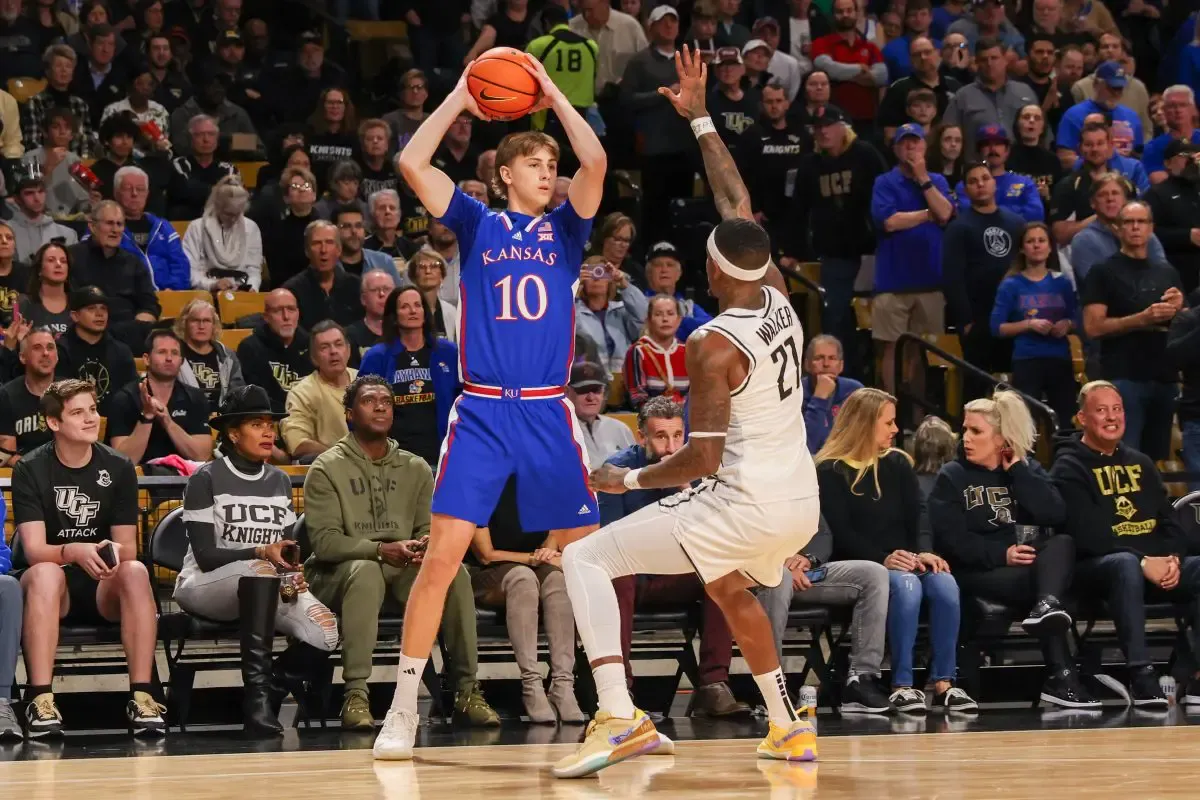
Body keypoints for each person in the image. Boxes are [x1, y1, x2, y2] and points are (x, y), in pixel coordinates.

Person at [555, 46, 821, 776]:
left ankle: (619, 716)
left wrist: (626, 482)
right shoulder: (777, 295)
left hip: (745, 500)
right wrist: (701, 113)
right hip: (798, 497)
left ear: (709, 270)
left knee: (585, 557)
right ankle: (786, 723)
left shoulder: (710, 346)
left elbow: (701, 460)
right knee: (728, 585)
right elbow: (737, 206)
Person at [304, 375, 500, 731]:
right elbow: (325, 543)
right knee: (364, 573)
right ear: (349, 414)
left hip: (402, 565)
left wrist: (425, 546)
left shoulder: (416, 467)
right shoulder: (326, 467)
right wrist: (379, 550)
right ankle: (356, 695)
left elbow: (429, 529)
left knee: (453, 572)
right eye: (369, 401)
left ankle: (467, 691)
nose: (380, 406)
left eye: (386, 401)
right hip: (338, 573)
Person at [174, 384, 337, 734]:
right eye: (256, 424)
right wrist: (262, 552)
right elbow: (205, 557)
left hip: (265, 582)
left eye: (270, 424)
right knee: (261, 568)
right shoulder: (205, 478)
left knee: (326, 632)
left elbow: (285, 549)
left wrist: (295, 571)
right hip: (205, 585)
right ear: (233, 433)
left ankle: (268, 690)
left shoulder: (279, 480)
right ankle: (257, 702)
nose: (268, 431)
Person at [13, 379, 166, 737]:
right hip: (54, 587)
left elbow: (127, 544)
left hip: (103, 583)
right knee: (46, 573)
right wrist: (73, 551)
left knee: (135, 570)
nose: (90, 419)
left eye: (93, 410)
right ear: (54, 423)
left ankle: (142, 696)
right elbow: (34, 549)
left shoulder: (119, 467)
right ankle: (40, 699)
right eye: (77, 412)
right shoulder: (31, 469)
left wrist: (103, 552)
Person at [929, 390, 1098, 708]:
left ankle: (1047, 607)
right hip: (977, 571)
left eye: (976, 431)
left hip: (1027, 569)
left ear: (1001, 439)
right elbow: (950, 540)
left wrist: (1018, 471)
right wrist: (1001, 553)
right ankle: (1062, 677)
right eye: (965, 429)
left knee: (1062, 544)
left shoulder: (1027, 469)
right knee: (1045, 589)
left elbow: (1055, 513)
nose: (966, 437)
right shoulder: (952, 476)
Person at [816, 387, 975, 714]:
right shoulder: (830, 470)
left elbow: (919, 513)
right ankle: (902, 685)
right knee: (907, 586)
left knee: (945, 583)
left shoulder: (898, 463)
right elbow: (841, 532)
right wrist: (883, 558)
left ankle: (944, 683)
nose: (894, 430)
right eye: (887, 422)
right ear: (864, 424)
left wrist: (925, 550)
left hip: (906, 558)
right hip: (864, 565)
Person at [599, 397, 751, 719]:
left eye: (677, 436)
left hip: (676, 572)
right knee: (618, 576)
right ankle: (620, 691)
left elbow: (717, 534)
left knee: (723, 572)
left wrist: (687, 490)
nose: (671, 447)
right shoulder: (617, 470)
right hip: (635, 576)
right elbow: (607, 540)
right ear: (641, 437)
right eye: (661, 437)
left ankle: (712, 686)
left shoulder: (698, 469)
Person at [1051, 380, 1200, 707]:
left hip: (1154, 568)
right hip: (1096, 572)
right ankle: (1142, 676)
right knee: (1125, 564)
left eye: (1117, 409)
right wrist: (1145, 561)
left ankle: (1195, 673)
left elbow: (1171, 523)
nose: (1111, 417)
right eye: (1101, 410)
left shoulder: (1142, 463)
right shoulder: (1068, 467)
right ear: (1082, 418)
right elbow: (1088, 536)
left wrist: (1173, 559)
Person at [470, 476, 588, 724]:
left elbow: (556, 528)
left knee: (558, 580)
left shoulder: (542, 478)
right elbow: (486, 555)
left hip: (533, 565)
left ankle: (563, 685)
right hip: (486, 574)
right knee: (523, 579)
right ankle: (531, 684)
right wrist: (532, 558)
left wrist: (549, 549)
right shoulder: (479, 481)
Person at [759, 512, 894, 715]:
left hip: (804, 571)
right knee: (780, 578)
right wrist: (780, 564)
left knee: (873, 573)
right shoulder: (739, 485)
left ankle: (861, 680)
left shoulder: (797, 484)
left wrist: (807, 558)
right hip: (758, 573)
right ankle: (773, 691)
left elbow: (822, 533)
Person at [1082, 201, 1183, 461]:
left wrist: (1179, 310)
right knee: (1126, 456)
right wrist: (1142, 318)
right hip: (1124, 376)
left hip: (1164, 377)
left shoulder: (1167, 271)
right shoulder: (1103, 271)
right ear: (1118, 229)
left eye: (1141, 222)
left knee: (1158, 460)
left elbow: (1183, 326)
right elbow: (1093, 327)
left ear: (1151, 228)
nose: (1135, 227)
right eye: (1129, 222)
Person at [871, 123, 954, 398]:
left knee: (924, 352)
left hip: (930, 280)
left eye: (915, 142)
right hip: (892, 281)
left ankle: (919, 414)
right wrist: (926, 214)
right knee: (890, 348)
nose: (910, 148)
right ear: (896, 149)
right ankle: (890, 409)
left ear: (924, 147)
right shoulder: (884, 182)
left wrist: (922, 179)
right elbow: (890, 222)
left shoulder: (937, 181)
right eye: (904, 143)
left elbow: (944, 213)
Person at [942, 161, 1026, 381]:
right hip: (978, 320)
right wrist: (966, 322)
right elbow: (953, 278)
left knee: (1013, 387)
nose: (980, 184)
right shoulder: (959, 227)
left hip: (1013, 317)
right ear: (966, 189)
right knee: (976, 386)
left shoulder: (1016, 223)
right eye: (973, 181)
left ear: (994, 183)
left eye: (985, 178)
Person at [358, 287, 460, 468]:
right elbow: (359, 406)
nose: (413, 311)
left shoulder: (448, 353)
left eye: (417, 305)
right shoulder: (377, 357)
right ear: (394, 316)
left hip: (441, 455)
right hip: (391, 460)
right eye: (405, 306)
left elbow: (464, 401)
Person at [991, 222, 1079, 426]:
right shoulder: (1011, 284)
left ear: (1050, 247)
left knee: (1066, 422)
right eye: (1031, 241)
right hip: (1027, 359)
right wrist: (1029, 325)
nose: (1036, 245)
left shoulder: (1062, 282)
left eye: (1041, 241)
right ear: (1022, 248)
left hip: (1060, 359)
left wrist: (1067, 324)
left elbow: (1077, 319)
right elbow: (997, 327)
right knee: (1025, 422)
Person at [108, 329, 213, 465]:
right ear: (146, 359)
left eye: (174, 353)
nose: (169, 358)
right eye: (162, 352)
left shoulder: (195, 398)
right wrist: (147, 417)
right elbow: (123, 460)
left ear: (181, 361)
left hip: (185, 479)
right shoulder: (125, 398)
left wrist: (168, 422)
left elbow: (201, 456)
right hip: (139, 481)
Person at [67, 201, 160, 351]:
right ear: (92, 226)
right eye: (109, 223)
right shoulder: (72, 257)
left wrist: (140, 324)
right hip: (86, 332)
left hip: (127, 334)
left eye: (119, 224)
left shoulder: (134, 262)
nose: (115, 230)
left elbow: (150, 305)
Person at [1047, 126, 1144, 252]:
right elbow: (1060, 235)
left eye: (1100, 143)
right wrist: (1100, 216)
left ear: (1110, 147)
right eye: (1088, 144)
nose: (1095, 149)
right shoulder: (1067, 186)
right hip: (1083, 252)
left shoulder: (1126, 185)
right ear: (1080, 148)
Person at [943, 38, 1037, 159]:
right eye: (983, 60)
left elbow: (1042, 132)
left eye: (994, 58)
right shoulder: (963, 97)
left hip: (1022, 166)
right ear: (976, 63)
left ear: (1005, 60)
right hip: (978, 168)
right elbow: (948, 135)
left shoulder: (1025, 92)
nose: (989, 63)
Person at [54, 286, 138, 415]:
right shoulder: (61, 350)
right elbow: (58, 396)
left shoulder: (121, 351)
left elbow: (131, 393)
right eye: (91, 308)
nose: (100, 314)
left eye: (103, 309)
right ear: (75, 316)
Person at [281, 320, 356, 461]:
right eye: (324, 347)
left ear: (348, 350)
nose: (333, 351)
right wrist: (342, 457)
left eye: (338, 344)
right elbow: (298, 444)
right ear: (314, 358)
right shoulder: (302, 393)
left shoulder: (365, 381)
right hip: (329, 469)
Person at [112, 165, 190, 291]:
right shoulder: (106, 226)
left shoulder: (163, 227)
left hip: (168, 295)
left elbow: (180, 263)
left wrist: (173, 289)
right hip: (126, 298)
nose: (134, 194)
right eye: (128, 189)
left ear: (147, 194)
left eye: (140, 189)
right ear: (116, 193)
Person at [811, 0, 887, 129]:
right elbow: (829, 70)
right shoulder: (821, 43)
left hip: (867, 120)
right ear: (833, 15)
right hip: (832, 120)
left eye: (849, 10)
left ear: (857, 13)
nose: (845, 15)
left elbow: (882, 77)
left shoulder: (870, 47)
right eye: (840, 12)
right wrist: (861, 68)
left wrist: (842, 75)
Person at [236, 288, 313, 413]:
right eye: (278, 311)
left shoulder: (312, 345)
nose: (286, 316)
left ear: (298, 313)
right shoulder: (250, 348)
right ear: (266, 317)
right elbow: (258, 398)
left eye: (291, 309)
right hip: (271, 418)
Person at [1056, 61, 1144, 168]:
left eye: (1119, 88)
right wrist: (1099, 161)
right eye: (1111, 87)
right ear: (1096, 85)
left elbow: (1138, 156)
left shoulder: (1132, 117)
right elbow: (1064, 158)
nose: (1116, 93)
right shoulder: (1074, 115)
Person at [183, 175, 263, 291]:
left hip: (241, 292)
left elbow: (254, 269)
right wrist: (212, 285)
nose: (233, 219)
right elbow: (190, 270)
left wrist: (252, 288)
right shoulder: (197, 228)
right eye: (228, 214)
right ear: (217, 207)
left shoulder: (251, 228)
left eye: (237, 214)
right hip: (206, 292)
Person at [282, 220, 365, 331]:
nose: (323, 250)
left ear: (339, 249)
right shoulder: (292, 291)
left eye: (329, 242)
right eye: (317, 243)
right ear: (307, 251)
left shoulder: (357, 286)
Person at [575, 255, 650, 374]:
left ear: (610, 280)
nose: (596, 278)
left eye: (601, 273)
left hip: (622, 381)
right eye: (591, 273)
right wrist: (574, 288)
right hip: (589, 380)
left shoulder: (620, 311)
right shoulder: (573, 312)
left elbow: (645, 315)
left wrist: (624, 283)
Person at [878, 35, 962, 139]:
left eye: (927, 52)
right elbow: (889, 133)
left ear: (938, 54)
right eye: (917, 55)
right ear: (911, 60)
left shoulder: (954, 86)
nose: (923, 57)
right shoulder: (899, 89)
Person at [1144, 140, 1200, 294]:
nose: (1191, 160)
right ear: (1168, 163)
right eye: (1184, 156)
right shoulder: (1156, 194)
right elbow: (1148, 233)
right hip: (1178, 274)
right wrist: (1186, 236)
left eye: (1194, 155)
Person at [954, 125, 1042, 222]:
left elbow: (1036, 214)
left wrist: (988, 212)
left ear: (1007, 151)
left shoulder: (1025, 182)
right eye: (987, 144)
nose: (992, 149)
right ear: (978, 152)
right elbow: (967, 215)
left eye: (998, 144)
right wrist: (1015, 209)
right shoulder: (967, 185)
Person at [174, 297, 245, 412]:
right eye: (195, 320)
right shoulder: (174, 354)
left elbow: (238, 392)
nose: (201, 326)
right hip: (185, 415)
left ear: (214, 325)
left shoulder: (227, 355)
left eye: (206, 321)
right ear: (184, 323)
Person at [22, 44, 94, 157]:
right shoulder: (35, 103)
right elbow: (32, 142)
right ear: (47, 71)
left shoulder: (80, 104)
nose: (64, 70)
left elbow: (87, 140)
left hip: (77, 165)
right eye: (58, 65)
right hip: (45, 164)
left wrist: (78, 163)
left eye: (68, 66)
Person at [0, 328, 58, 463]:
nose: (45, 353)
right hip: (23, 474)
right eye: (37, 348)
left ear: (57, 355)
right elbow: (8, 455)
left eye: (50, 347)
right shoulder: (6, 396)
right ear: (22, 357)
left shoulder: (71, 393)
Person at [166, 114, 239, 220]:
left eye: (211, 134)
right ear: (190, 139)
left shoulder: (228, 169)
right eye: (199, 135)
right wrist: (219, 192)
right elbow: (184, 190)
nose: (206, 139)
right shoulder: (179, 164)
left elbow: (233, 198)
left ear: (217, 139)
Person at [623, 295, 688, 408]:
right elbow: (637, 397)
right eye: (658, 314)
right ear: (648, 321)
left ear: (679, 320)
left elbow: (697, 393)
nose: (665, 319)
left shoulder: (688, 351)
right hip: (650, 419)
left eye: (670, 313)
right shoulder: (638, 351)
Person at [802, 334, 864, 454]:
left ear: (841, 366)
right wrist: (819, 398)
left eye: (832, 358)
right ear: (807, 365)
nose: (826, 364)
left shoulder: (854, 391)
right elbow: (808, 446)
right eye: (819, 358)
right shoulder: (796, 394)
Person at [568, 361, 635, 469]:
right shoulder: (557, 432)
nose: (591, 397)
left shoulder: (620, 428)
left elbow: (635, 470)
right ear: (567, 392)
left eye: (596, 390)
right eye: (583, 390)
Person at [7, 167, 78, 264]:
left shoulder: (67, 234)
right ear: (17, 199)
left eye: (41, 191)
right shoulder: (5, 232)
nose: (37, 198)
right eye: (29, 193)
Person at [333, 205, 403, 287]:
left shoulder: (384, 262)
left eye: (358, 226)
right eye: (346, 226)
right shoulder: (327, 265)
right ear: (334, 231)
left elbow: (399, 296)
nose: (354, 231)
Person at [1143, 86, 1200, 184]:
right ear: (1164, 111)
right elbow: (1158, 181)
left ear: (1193, 109)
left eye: (1183, 105)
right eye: (1172, 106)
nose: (1178, 110)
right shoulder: (1153, 147)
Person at [18, 242, 72, 338]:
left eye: (63, 261)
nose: (58, 264)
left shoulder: (78, 303)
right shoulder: (24, 303)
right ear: (39, 269)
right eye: (51, 260)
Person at [407, 250, 457, 343]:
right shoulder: (405, 310)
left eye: (434, 266)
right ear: (413, 276)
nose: (428, 271)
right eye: (422, 267)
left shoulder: (451, 311)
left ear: (442, 276)